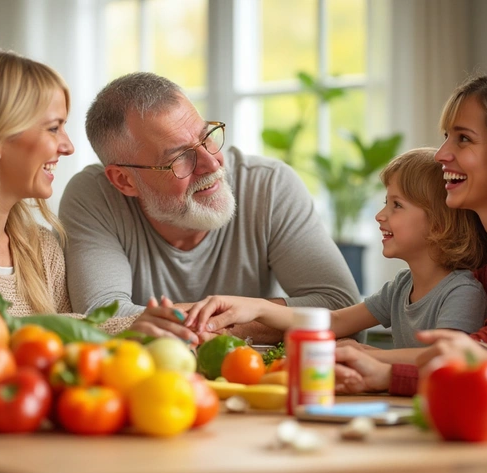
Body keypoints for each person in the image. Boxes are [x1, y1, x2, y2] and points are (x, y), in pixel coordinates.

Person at [0, 46, 185, 345]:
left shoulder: (40, 248)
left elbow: (72, 357)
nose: (68, 146)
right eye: (53, 128)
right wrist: (128, 326)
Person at [58, 72, 360, 344]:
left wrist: (231, 320)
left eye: (207, 137)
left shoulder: (269, 185)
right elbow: (104, 320)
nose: (212, 162)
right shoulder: (92, 197)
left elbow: (344, 312)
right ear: (124, 181)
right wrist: (263, 316)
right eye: (180, 157)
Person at [334, 75, 487, 397]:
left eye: (464, 139)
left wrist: (381, 364)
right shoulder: (486, 257)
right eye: (446, 137)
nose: (441, 153)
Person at [186, 148, 487, 351]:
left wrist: (369, 354)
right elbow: (332, 321)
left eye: (396, 205)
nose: (380, 215)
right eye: (385, 202)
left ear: (438, 224)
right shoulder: (400, 288)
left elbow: (448, 359)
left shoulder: (462, 293)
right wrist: (256, 308)